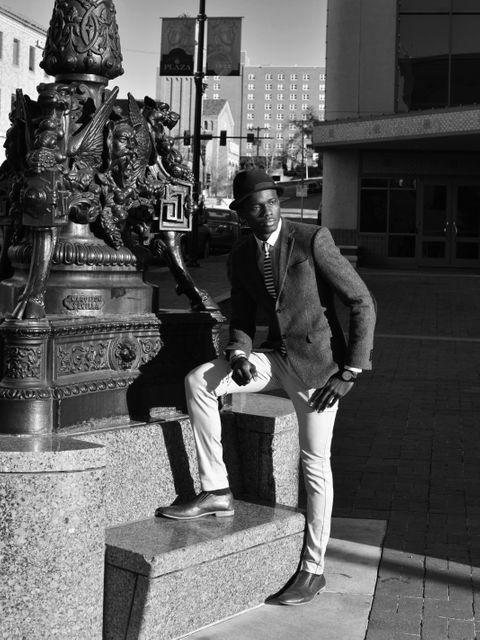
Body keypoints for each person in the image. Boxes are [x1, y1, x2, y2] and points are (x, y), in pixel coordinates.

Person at [155, 169, 376, 606]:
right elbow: (241, 319)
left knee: (315, 465)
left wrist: (350, 370)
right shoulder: (240, 255)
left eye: (272, 201)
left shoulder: (313, 240)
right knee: (200, 380)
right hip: (273, 358)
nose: (267, 210)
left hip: (319, 371)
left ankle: (313, 569)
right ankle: (217, 489)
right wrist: (237, 354)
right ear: (242, 214)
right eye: (257, 206)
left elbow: (361, 301)